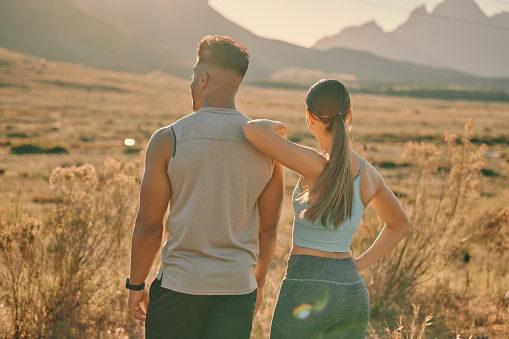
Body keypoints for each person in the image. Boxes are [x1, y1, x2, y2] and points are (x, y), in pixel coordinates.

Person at [127, 35, 285, 339]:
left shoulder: (168, 139)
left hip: (179, 287)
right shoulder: (267, 146)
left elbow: (149, 227)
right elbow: (269, 229)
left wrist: (136, 285)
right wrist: (258, 286)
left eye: (192, 76)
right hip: (237, 290)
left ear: (202, 79)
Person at [242, 79, 410, 338]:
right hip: (352, 292)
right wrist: (356, 265)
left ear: (309, 117)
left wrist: (280, 128)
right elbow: (400, 224)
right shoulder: (370, 175)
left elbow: (252, 130)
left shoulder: (313, 164)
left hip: (306, 287)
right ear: (349, 114)